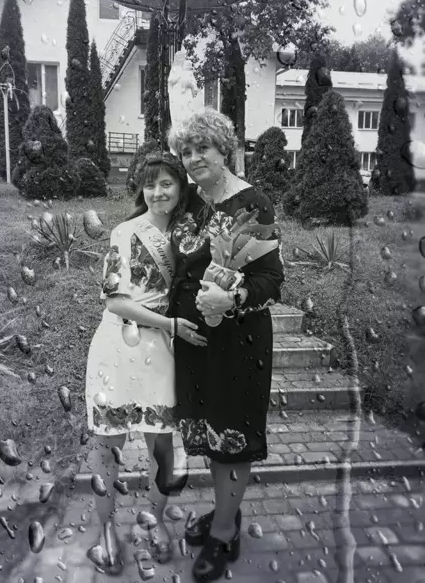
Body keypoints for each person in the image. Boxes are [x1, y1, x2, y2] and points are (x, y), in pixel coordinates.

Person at [167, 109, 285, 582]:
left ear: (225, 150)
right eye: (187, 152)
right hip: (194, 343)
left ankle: (222, 535)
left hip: (239, 344)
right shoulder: (189, 202)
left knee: (232, 440)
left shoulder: (253, 204)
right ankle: (226, 513)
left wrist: (232, 297)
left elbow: (272, 280)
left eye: (203, 149)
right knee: (210, 437)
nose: (194, 158)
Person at [84, 152, 207, 576]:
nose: (157, 192)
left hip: (161, 354)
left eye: (166, 183)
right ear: (140, 189)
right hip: (117, 348)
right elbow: (115, 301)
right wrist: (170, 324)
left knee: (162, 445)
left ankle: (155, 522)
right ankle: (106, 530)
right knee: (108, 443)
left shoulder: (190, 237)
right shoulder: (125, 232)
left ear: (181, 187)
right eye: (149, 184)